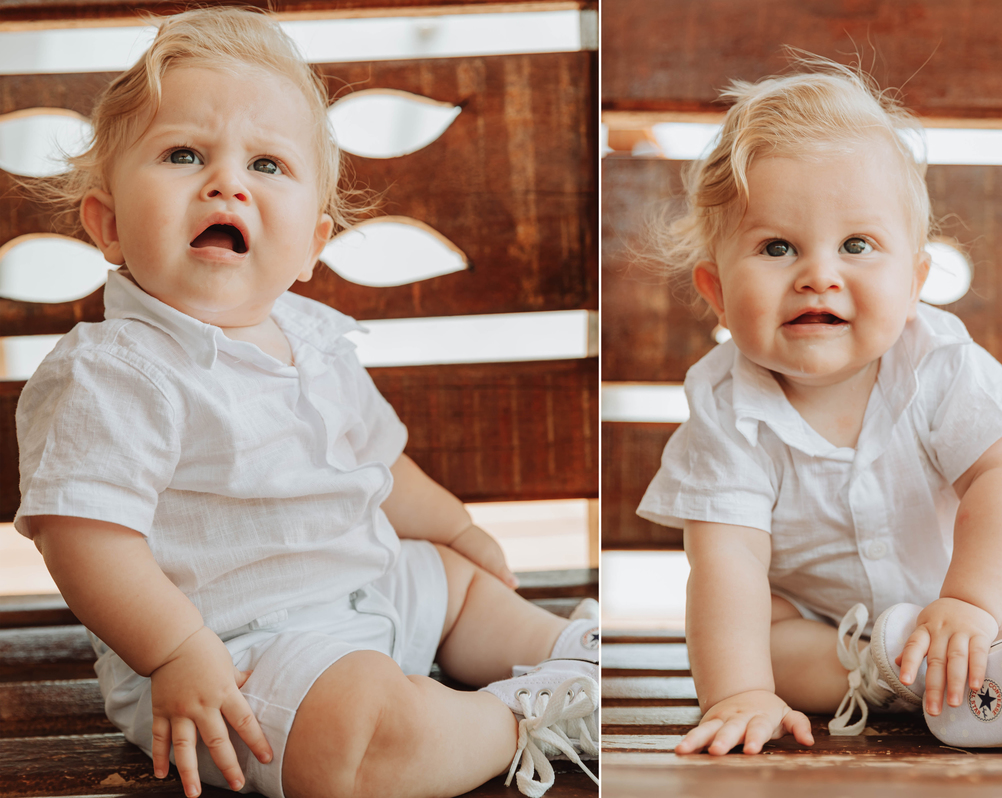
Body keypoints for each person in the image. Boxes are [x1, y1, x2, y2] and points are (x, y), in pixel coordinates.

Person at [15, 8, 597, 798]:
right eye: (184, 154)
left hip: (368, 588)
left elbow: (381, 465)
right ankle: (519, 720)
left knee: (455, 583)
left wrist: (457, 528)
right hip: (232, 654)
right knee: (349, 743)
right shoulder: (115, 372)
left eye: (267, 165)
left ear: (311, 246)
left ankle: (574, 658)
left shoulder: (312, 337)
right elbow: (85, 540)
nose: (226, 182)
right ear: (109, 225)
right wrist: (177, 651)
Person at [636, 59, 1002, 754]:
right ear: (714, 290)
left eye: (856, 245)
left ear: (916, 280)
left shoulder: (938, 365)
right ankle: (931, 679)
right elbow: (728, 564)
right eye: (777, 247)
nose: (818, 275)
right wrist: (739, 693)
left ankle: (982, 659)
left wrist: (971, 604)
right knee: (760, 640)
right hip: (837, 636)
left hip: (972, 599)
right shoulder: (725, 410)